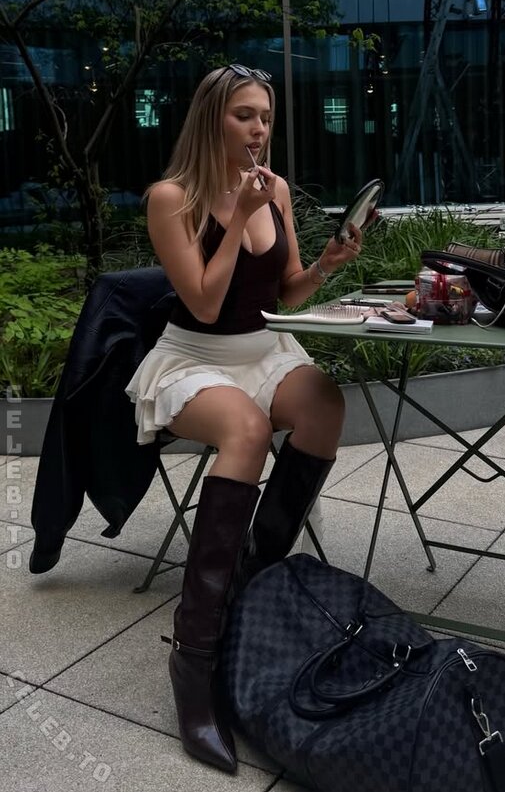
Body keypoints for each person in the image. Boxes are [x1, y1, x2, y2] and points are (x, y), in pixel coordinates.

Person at [125, 64, 366, 773]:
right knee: (248, 431)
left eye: (265, 116)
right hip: (194, 356)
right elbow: (203, 302)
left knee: (324, 403)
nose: (259, 129)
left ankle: (253, 584)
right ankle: (194, 654)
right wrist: (234, 217)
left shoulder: (276, 189)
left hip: (262, 349)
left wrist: (326, 263)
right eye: (244, 116)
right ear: (212, 119)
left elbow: (285, 293)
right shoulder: (171, 198)